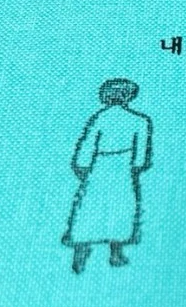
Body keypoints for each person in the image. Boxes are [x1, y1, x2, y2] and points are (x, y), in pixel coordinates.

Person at [62, 79, 153, 274]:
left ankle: (81, 251)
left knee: (90, 206)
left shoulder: (99, 118)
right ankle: (116, 252)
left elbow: (86, 148)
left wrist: (83, 168)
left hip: (99, 167)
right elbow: (140, 157)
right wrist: (135, 168)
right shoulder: (139, 121)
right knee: (122, 206)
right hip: (123, 169)